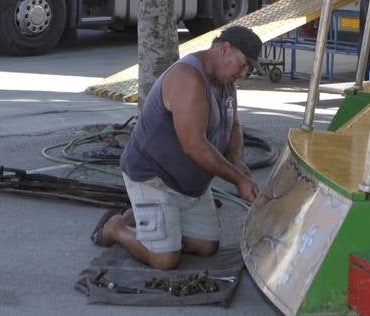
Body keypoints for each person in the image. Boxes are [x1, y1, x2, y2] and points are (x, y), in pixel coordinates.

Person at [94, 26, 261, 269]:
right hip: (153, 177)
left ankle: (146, 221)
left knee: (207, 246)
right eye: (244, 64)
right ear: (225, 49)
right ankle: (117, 228)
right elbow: (194, 146)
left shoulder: (226, 83)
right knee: (166, 260)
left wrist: (236, 160)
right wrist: (238, 179)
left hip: (189, 185)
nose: (244, 73)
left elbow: (234, 127)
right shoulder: (188, 79)